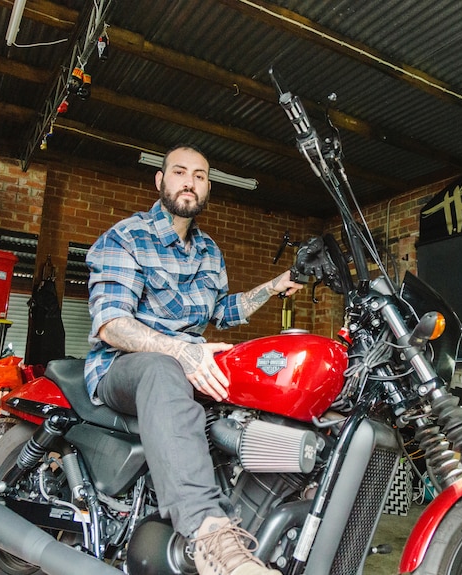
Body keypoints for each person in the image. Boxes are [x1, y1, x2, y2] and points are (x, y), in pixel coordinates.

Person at [85, 144, 302, 575]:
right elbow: (110, 323)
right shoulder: (126, 237)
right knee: (165, 368)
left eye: (200, 175)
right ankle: (207, 534)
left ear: (207, 187)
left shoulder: (209, 252)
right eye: (180, 172)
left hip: (184, 368)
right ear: (160, 181)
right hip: (124, 368)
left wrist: (276, 285)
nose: (190, 181)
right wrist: (181, 350)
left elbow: (223, 311)